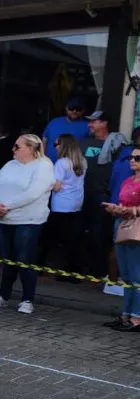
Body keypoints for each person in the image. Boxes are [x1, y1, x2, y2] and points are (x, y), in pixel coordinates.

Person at [0, 134, 54, 315]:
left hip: (28, 220)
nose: (13, 150)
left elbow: (33, 193)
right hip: (4, 219)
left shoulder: (43, 166)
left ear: (30, 149)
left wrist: (6, 206)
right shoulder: (9, 165)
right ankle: (3, 295)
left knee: (25, 259)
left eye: (17, 146)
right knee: (8, 259)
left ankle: (27, 298)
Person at [80, 110, 131, 280]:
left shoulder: (117, 146)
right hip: (82, 193)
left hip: (102, 195)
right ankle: (82, 267)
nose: (90, 125)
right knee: (82, 231)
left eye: (94, 121)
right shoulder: (84, 142)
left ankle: (99, 270)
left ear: (104, 123)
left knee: (99, 233)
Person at [102, 149, 140, 331]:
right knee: (125, 274)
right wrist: (116, 209)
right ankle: (126, 314)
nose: (132, 160)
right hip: (122, 224)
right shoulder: (127, 180)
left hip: (137, 227)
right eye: (131, 157)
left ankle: (137, 317)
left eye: (137, 158)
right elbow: (123, 203)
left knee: (136, 274)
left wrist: (131, 211)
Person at [47, 133, 86, 277]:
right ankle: (75, 270)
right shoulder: (82, 161)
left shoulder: (61, 163)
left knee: (58, 239)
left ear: (63, 145)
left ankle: (61, 268)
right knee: (73, 239)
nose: (55, 147)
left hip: (61, 205)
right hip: (76, 204)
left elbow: (56, 187)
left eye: (56, 144)